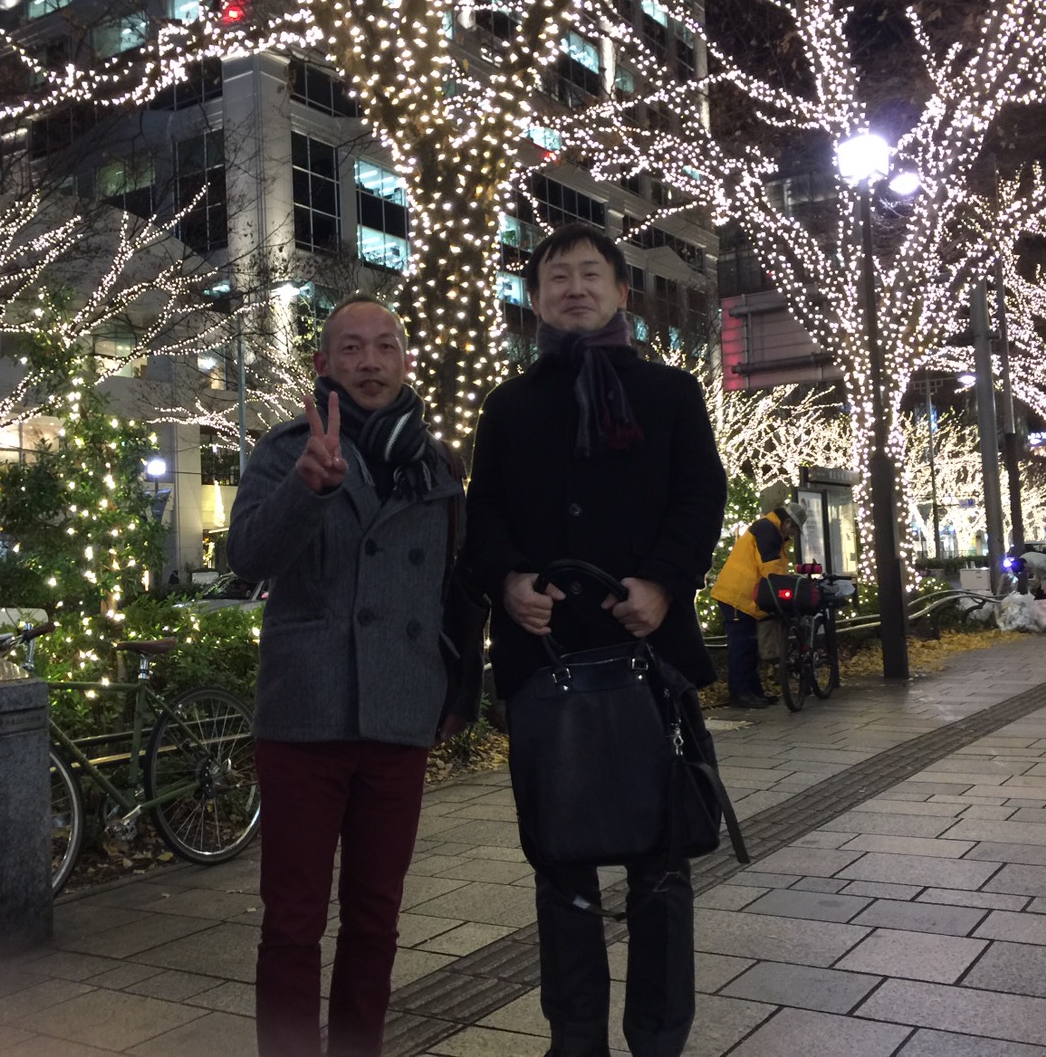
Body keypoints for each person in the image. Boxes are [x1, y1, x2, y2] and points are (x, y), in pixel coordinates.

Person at [464, 223, 727, 1057]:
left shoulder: (671, 393)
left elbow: (700, 496)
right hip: (545, 663)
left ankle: (659, 1039)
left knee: (662, 871)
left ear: (620, 290)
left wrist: (664, 582)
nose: (573, 288)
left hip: (650, 660)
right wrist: (508, 580)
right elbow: (482, 512)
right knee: (561, 873)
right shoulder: (508, 405)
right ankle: (574, 1042)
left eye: (589, 274)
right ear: (536, 299)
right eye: (557, 277)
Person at [227, 294, 471, 1057]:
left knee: (376, 916)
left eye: (385, 346)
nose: (370, 362)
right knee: (292, 920)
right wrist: (308, 489)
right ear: (323, 363)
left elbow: (456, 587)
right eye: (352, 348)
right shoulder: (286, 450)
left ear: (405, 360)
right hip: (306, 713)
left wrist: (459, 688)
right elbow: (248, 559)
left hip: (399, 712)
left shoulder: (437, 464)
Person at [709, 502, 807, 708]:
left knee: (749, 646)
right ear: (787, 522)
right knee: (741, 647)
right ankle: (740, 694)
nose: (792, 535)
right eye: (794, 530)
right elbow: (772, 571)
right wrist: (786, 593)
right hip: (737, 597)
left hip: (743, 597)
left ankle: (753, 691)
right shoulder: (768, 531)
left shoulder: (769, 529)